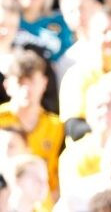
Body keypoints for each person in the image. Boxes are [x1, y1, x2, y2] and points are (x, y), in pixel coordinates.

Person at [0, 49, 63, 203]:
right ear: (7, 85)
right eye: (21, 82)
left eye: (32, 81)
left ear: (44, 83)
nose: (27, 89)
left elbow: (56, 179)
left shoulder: (56, 126)